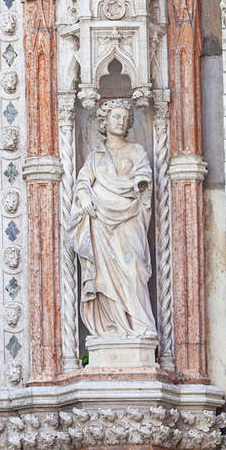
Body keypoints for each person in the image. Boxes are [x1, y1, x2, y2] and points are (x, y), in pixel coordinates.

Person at [65, 97, 157, 345]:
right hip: (101, 223)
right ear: (104, 122)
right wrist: (84, 196)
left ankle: (141, 325)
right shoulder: (95, 157)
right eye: (115, 116)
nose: (120, 120)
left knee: (134, 267)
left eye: (124, 117)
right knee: (104, 276)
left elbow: (143, 173)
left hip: (129, 219)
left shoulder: (136, 150)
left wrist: (140, 183)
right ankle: (111, 327)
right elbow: (83, 182)